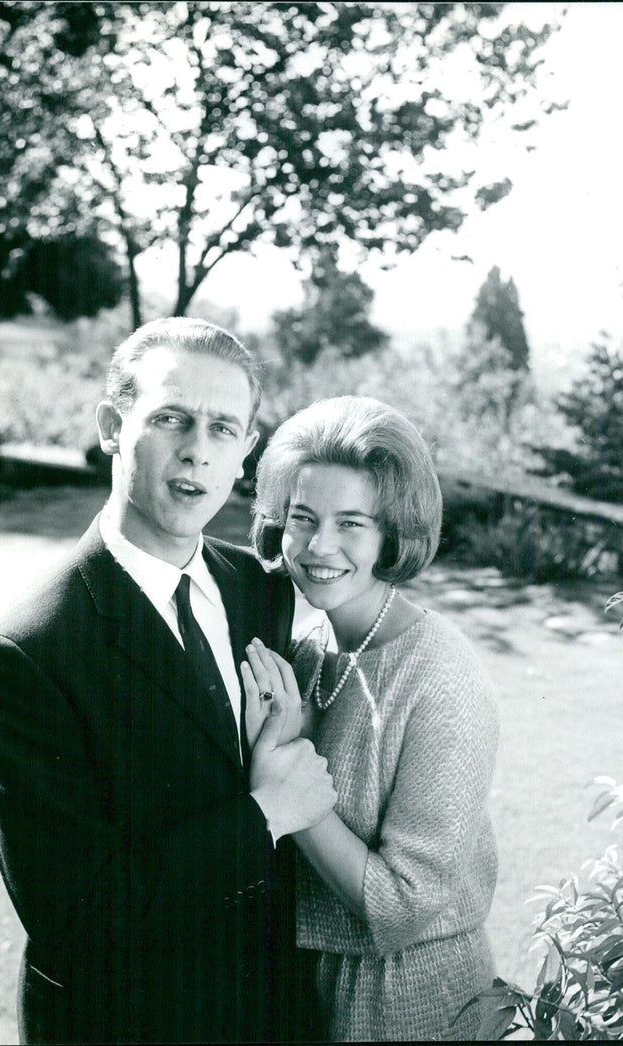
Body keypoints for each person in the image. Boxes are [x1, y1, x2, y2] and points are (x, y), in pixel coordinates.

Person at [0, 318, 336, 1044]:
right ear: (112, 424)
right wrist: (265, 813)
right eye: (172, 418)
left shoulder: (261, 591)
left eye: (223, 428)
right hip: (122, 1021)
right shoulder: (26, 651)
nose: (198, 449)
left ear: (245, 453)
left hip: (264, 1010)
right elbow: (79, 917)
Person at [242, 395, 500, 1041]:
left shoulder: (442, 677)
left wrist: (289, 783)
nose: (318, 545)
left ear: (394, 534)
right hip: (302, 983)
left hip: (409, 996)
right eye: (302, 517)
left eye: (351, 523)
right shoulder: (305, 652)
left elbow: (403, 904)